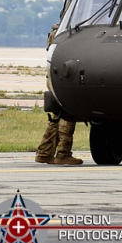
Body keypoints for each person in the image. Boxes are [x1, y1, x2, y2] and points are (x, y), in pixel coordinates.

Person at [35, 24, 83, 166]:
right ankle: (63, 153)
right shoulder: (70, 31)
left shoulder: (58, 31)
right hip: (66, 75)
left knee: (56, 116)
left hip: (55, 76)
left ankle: (45, 152)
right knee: (68, 114)